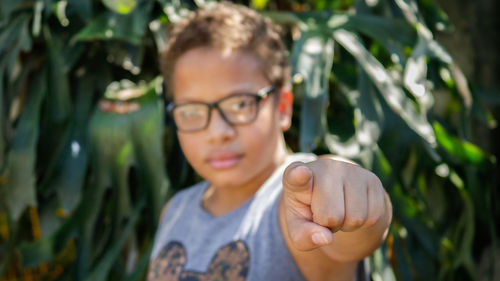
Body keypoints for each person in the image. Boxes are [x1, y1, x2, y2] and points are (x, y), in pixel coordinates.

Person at [147, 2, 392, 280]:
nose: (217, 132)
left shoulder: (295, 201)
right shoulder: (175, 210)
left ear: (283, 107)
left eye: (240, 104)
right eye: (191, 111)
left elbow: (346, 228)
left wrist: (352, 191)